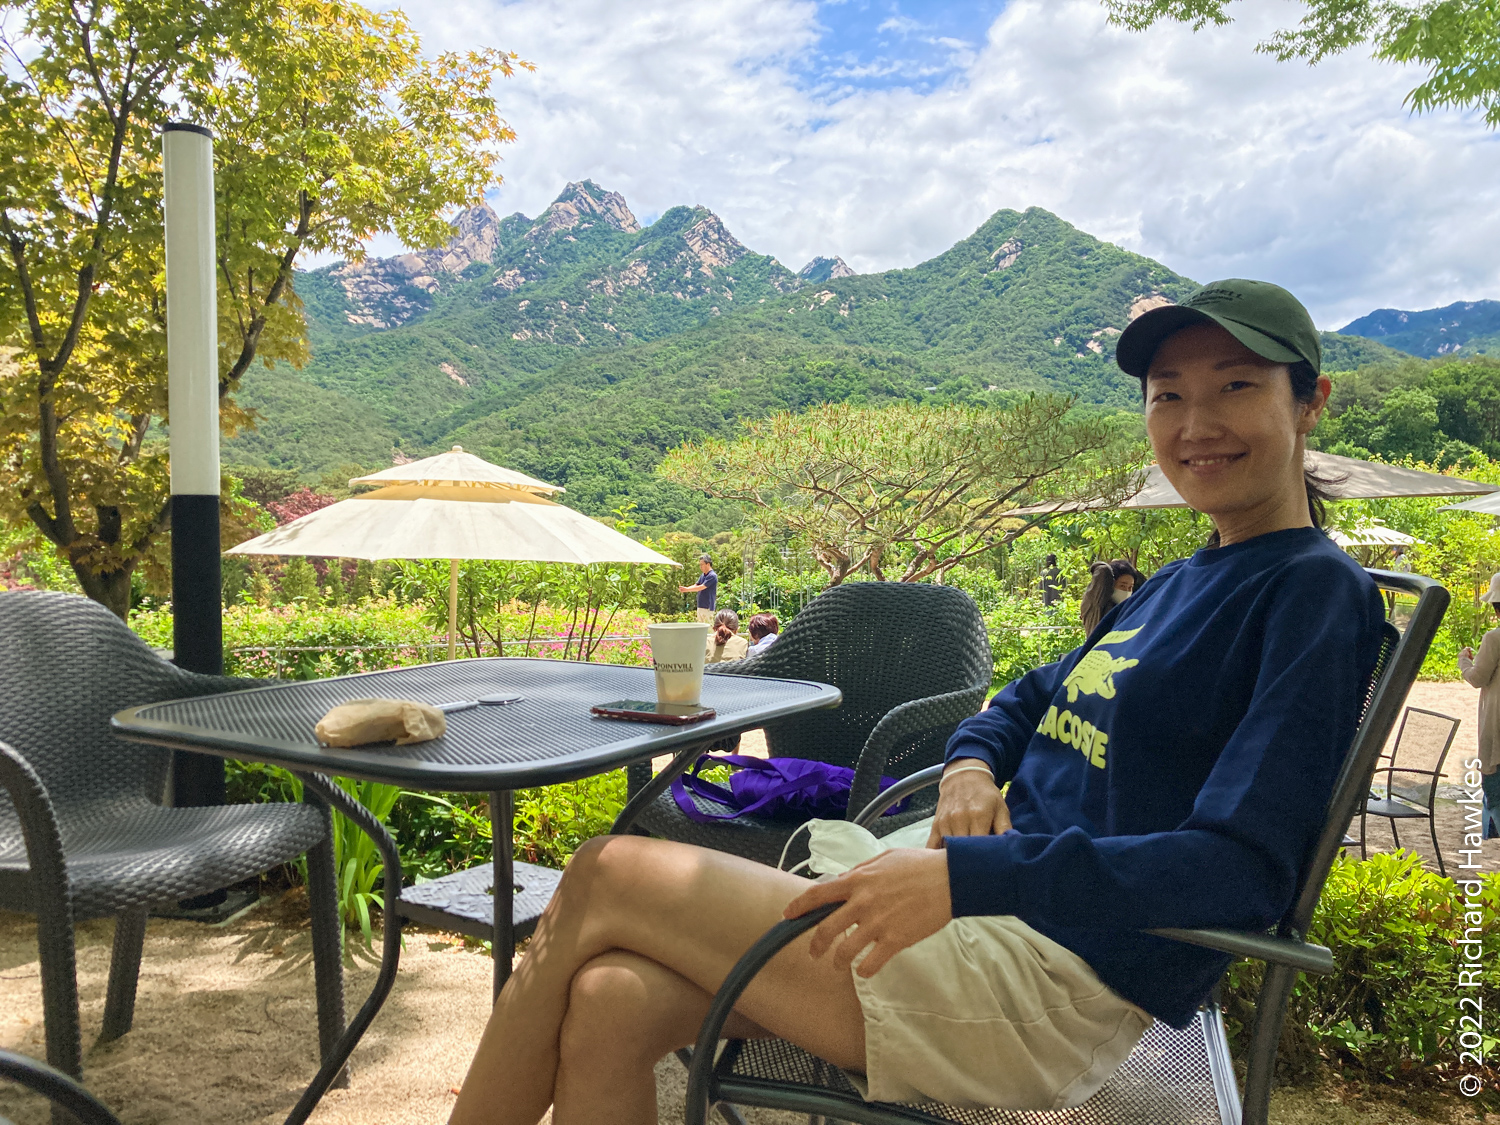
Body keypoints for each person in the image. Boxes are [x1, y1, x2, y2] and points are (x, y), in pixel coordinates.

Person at [448, 279, 1384, 1125]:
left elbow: (1241, 871)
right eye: (1167, 395)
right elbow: (1027, 696)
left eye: (1235, 386)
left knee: (607, 870)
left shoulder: (1313, 591)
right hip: (979, 916)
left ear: (1310, 402)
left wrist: (973, 877)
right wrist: (972, 764)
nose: (1195, 422)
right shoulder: (1185, 577)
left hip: (1047, 979)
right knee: (610, 1000)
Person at [1459, 574, 1500, 839]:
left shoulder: (1494, 638)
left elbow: (1478, 678)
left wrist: (1464, 661)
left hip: (1497, 722)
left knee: (1496, 796)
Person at [1078, 558, 1145, 635]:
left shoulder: (1125, 609)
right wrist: (1114, 565)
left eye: (1130, 587)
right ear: (1111, 585)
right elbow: (1103, 571)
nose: (1126, 591)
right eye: (1122, 586)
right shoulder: (1096, 603)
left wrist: (1127, 567)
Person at [678, 554, 718, 623]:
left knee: (708, 627)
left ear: (708, 564)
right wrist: (685, 589)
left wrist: (687, 589)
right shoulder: (703, 575)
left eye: (702, 564)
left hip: (708, 608)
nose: (700, 567)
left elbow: (701, 587)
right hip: (700, 606)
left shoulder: (712, 576)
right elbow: (696, 585)